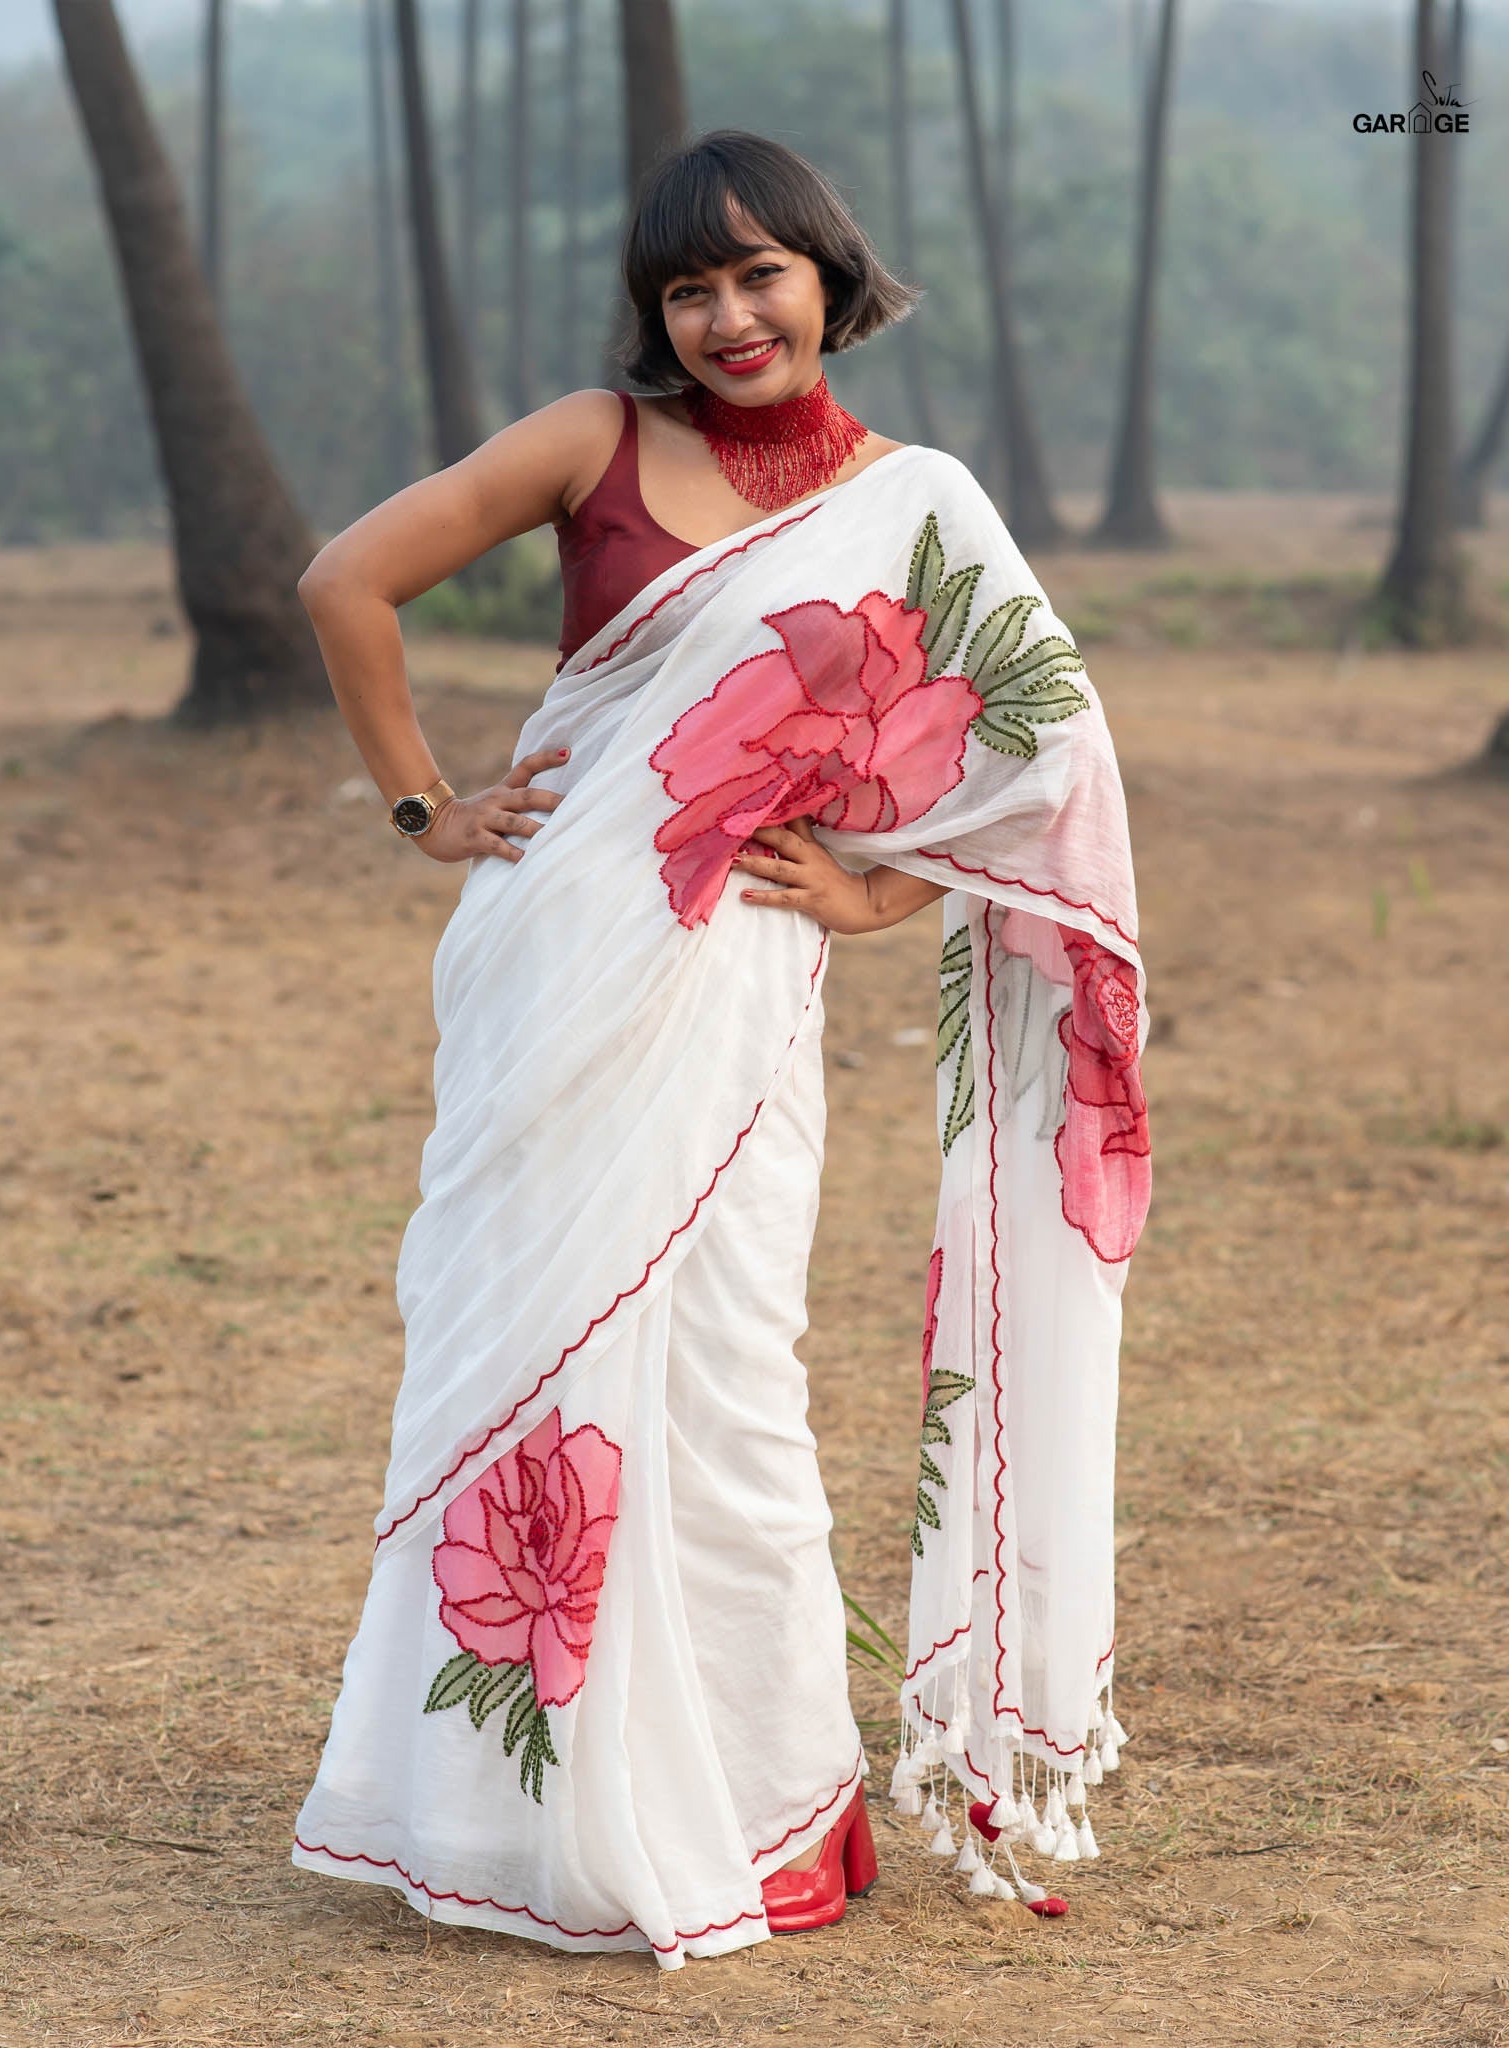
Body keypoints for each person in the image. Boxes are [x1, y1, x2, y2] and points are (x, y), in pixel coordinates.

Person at [290, 130, 1149, 1970]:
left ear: (830, 277)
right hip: (552, 962)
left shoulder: (916, 505)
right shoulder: (592, 441)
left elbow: (1045, 751)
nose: (730, 316)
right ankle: (501, 1823)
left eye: (761, 273)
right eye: (689, 287)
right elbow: (344, 580)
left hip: (742, 972)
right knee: (521, 1358)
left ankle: (763, 1796)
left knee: (733, 1377)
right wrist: (427, 810)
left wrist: (877, 895)